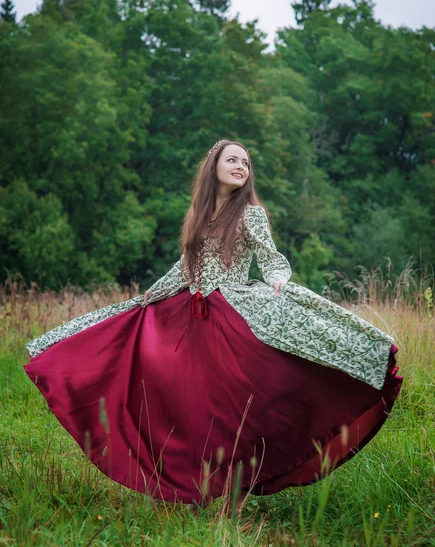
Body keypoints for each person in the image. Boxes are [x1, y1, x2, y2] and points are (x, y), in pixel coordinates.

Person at [23, 139, 403, 508]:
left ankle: (232, 495)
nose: (241, 166)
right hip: (189, 316)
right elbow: (185, 268)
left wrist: (278, 281)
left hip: (231, 311)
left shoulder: (250, 213)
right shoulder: (199, 214)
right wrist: (149, 296)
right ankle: (181, 486)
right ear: (214, 168)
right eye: (232, 160)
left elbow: (270, 258)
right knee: (183, 402)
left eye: (246, 163)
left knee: (233, 407)